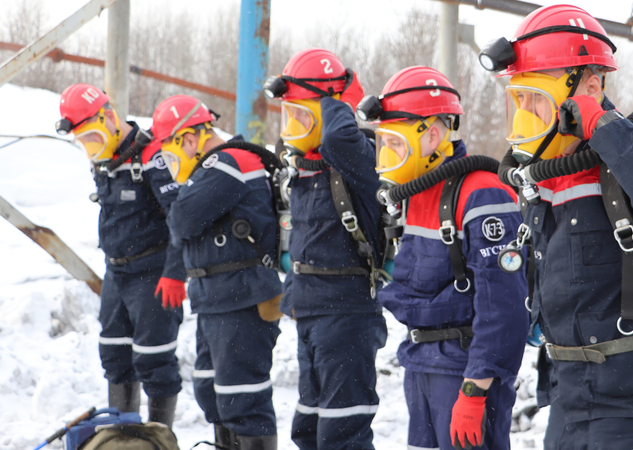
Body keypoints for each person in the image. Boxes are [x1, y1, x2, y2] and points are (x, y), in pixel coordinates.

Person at [481, 4, 633, 449]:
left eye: (536, 100)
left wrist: (601, 123)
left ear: (590, 84)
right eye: (519, 100)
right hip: (568, 397)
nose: (526, 114)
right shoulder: (545, 171)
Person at [359, 66, 528, 450]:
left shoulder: (482, 193)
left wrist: (475, 388)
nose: (388, 156)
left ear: (432, 136)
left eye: (395, 144)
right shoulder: (414, 194)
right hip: (421, 364)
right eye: (384, 144)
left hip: (463, 371)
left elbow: (504, 306)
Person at [263, 48, 387, 450]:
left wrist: (339, 98)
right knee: (309, 429)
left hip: (347, 314)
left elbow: (337, 136)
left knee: (342, 432)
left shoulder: (357, 158)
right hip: (311, 311)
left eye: (304, 114)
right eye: (290, 115)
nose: (294, 126)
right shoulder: (306, 167)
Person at [151, 95, 284, 450]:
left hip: (243, 296)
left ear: (190, 139)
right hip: (218, 298)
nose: (170, 163)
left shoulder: (227, 163)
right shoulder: (214, 167)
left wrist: (180, 199)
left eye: (170, 153)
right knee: (213, 393)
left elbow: (182, 219)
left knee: (243, 400)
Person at [56, 83, 184, 427]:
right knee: (114, 355)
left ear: (109, 116)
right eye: (84, 143)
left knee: (154, 360)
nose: (91, 149)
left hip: (153, 272)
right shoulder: (105, 160)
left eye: (94, 138)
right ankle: (125, 438)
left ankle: (160, 439)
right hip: (117, 273)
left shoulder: (152, 156)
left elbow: (181, 218)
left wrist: (175, 272)